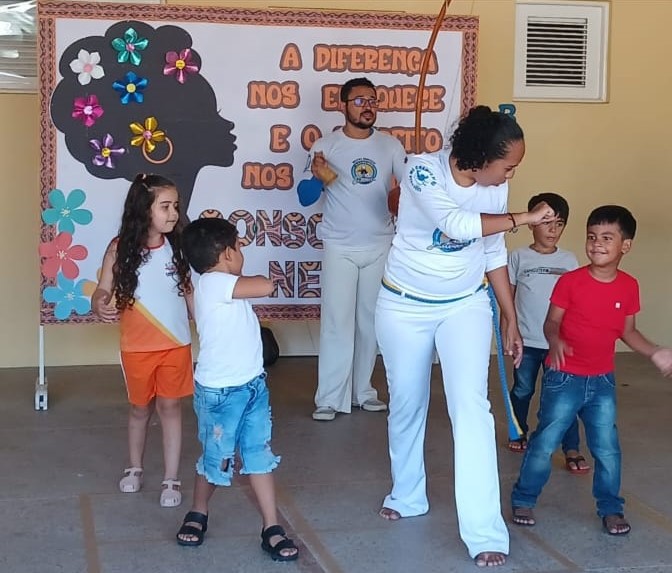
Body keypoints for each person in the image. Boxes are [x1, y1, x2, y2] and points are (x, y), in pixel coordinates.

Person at [374, 105, 557, 568]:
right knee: (407, 402)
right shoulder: (422, 172)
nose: (511, 175)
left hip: (465, 305)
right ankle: (407, 494)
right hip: (404, 305)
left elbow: (492, 249)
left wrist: (510, 317)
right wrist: (526, 217)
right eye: (508, 166)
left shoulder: (495, 187)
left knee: (472, 410)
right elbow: (456, 225)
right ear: (479, 157)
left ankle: (484, 531)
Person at [511, 205, 672, 535]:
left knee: (607, 448)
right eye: (592, 237)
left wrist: (655, 352)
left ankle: (611, 508)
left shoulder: (629, 286)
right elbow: (551, 322)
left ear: (625, 245)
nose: (597, 244)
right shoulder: (570, 282)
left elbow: (628, 331)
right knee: (545, 442)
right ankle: (524, 498)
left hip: (602, 381)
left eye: (607, 237)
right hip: (564, 378)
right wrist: (555, 340)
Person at [175, 217, 298, 562]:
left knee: (258, 454)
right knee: (217, 458)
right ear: (227, 253)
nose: (242, 252)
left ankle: (271, 526)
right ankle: (198, 510)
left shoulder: (217, 284)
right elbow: (266, 286)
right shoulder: (214, 283)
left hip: (252, 387)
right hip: (221, 395)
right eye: (240, 246)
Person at [298, 77, 407, 421]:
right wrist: (319, 177)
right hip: (339, 246)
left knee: (370, 323)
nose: (367, 107)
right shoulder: (325, 146)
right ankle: (330, 398)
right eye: (359, 101)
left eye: (372, 100)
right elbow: (305, 197)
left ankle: (363, 391)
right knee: (336, 323)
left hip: (380, 245)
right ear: (342, 106)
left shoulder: (390, 146)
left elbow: (410, 191)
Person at [50, 20, 236, 216]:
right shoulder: (156, 236)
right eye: (209, 116)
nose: (228, 124)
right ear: (159, 144)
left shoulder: (190, 232)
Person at [91, 173, 193, 507]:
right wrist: (98, 302)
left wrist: (208, 328)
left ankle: (171, 478)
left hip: (176, 345)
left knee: (170, 407)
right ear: (143, 209)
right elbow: (103, 289)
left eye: (175, 206)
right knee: (139, 409)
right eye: (165, 206)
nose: (173, 213)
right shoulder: (119, 248)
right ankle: (134, 467)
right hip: (136, 348)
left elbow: (190, 293)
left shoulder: (179, 247)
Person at [507, 192, 590, 474]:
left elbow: (576, 302)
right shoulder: (518, 257)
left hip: (559, 344)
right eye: (546, 222)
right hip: (527, 342)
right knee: (523, 389)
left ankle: (571, 448)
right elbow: (509, 299)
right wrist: (509, 331)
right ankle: (518, 431)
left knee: (563, 396)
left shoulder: (569, 260)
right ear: (532, 223)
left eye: (559, 224)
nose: (553, 230)